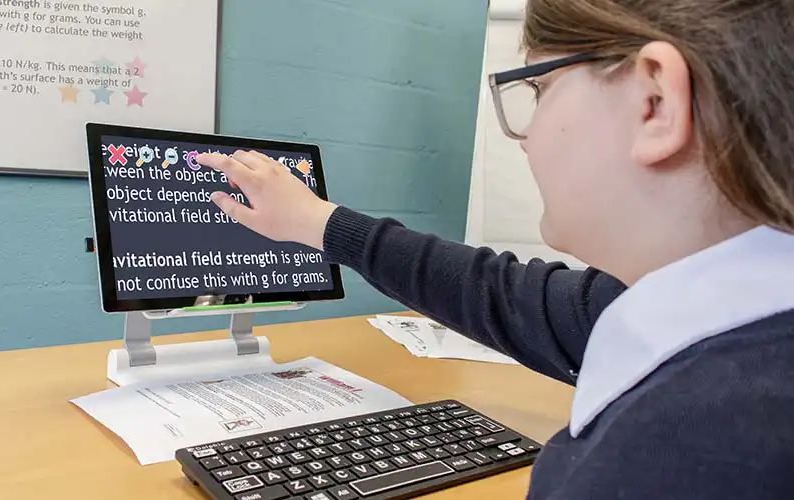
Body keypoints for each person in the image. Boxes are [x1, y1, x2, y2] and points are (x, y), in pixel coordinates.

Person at [196, 0, 794, 497]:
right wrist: (323, 224)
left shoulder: (680, 455)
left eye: (539, 88)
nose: (526, 140)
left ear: (655, 103)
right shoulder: (723, 325)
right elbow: (507, 295)